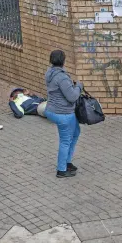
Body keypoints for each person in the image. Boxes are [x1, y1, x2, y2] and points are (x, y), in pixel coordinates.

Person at [45, 50, 82, 178]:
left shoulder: (50, 72)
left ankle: (67, 162)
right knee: (65, 140)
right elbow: (72, 97)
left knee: (76, 132)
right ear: (63, 61)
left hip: (52, 110)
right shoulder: (61, 77)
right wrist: (79, 87)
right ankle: (61, 170)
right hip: (63, 113)